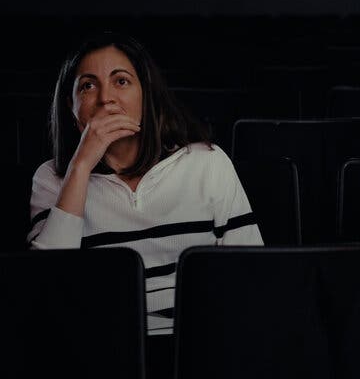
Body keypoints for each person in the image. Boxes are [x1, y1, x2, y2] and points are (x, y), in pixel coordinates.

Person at [27, 31, 263, 378]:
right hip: (98, 351)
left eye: (121, 81)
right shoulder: (52, 178)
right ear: (72, 107)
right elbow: (43, 287)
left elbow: (253, 278)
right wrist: (80, 166)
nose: (107, 99)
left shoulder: (208, 164)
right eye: (88, 86)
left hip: (200, 345)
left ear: (146, 95)